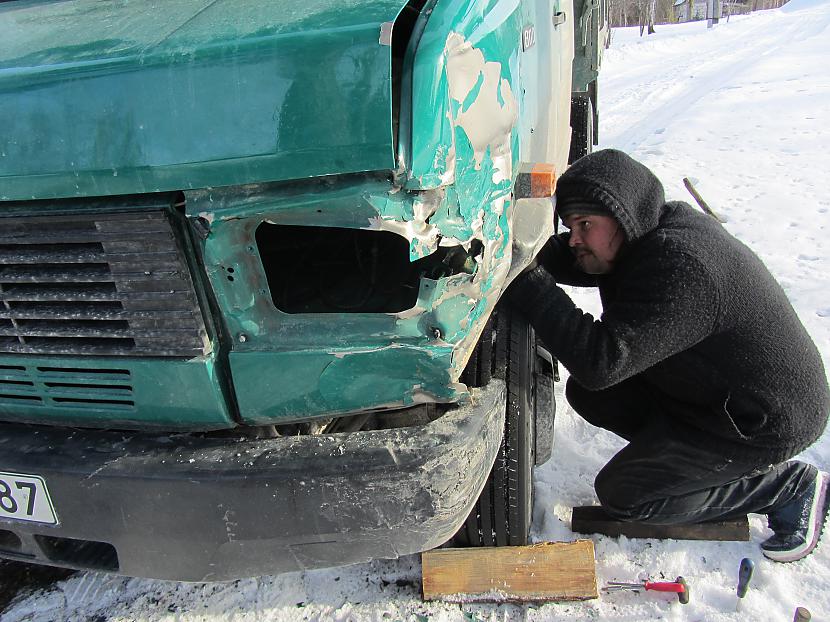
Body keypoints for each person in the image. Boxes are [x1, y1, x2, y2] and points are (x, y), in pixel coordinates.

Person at [506, 149, 830, 562]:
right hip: (719, 392)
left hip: (764, 419)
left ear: (623, 218)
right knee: (591, 395)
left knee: (625, 494)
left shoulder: (683, 266)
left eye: (585, 225)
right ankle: (683, 464)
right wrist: (510, 251)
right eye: (571, 226)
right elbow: (570, 260)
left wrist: (528, 281)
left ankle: (787, 487)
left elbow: (601, 361)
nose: (574, 239)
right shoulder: (643, 236)